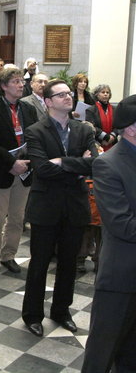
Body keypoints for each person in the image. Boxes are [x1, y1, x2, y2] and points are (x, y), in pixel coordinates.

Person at [22, 79, 97, 337]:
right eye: (61, 94)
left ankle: (61, 310)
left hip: (74, 205)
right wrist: (76, 165)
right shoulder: (35, 130)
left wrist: (61, 162)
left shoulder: (83, 129)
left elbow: (94, 164)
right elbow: (41, 168)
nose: (68, 97)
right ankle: (32, 314)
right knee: (39, 263)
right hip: (46, 206)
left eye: (69, 93)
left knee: (68, 262)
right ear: (48, 101)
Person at [82, 94, 136, 373]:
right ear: (131, 127)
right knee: (102, 354)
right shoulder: (109, 164)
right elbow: (122, 224)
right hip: (122, 276)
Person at [0, 68, 38, 275]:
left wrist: (25, 163)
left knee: (17, 218)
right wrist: (11, 163)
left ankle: (8, 255)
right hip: (1, 171)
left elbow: (34, 138)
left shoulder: (28, 109)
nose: (21, 84)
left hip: (24, 171)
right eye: (16, 81)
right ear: (4, 86)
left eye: (22, 81)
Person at [86, 84, 117, 151]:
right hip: (98, 143)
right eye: (103, 92)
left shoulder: (115, 109)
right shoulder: (91, 110)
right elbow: (91, 127)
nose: (105, 94)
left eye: (107, 92)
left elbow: (118, 125)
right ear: (97, 94)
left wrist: (112, 136)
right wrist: (106, 137)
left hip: (113, 143)